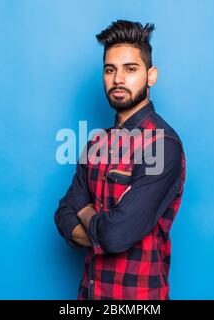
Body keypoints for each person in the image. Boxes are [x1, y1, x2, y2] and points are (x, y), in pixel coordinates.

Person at [54, 20, 186, 300]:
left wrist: (88, 213)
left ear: (151, 76)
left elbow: (116, 235)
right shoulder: (96, 143)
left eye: (130, 69)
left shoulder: (162, 146)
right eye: (110, 69)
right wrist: (101, 228)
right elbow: (64, 212)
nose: (118, 79)